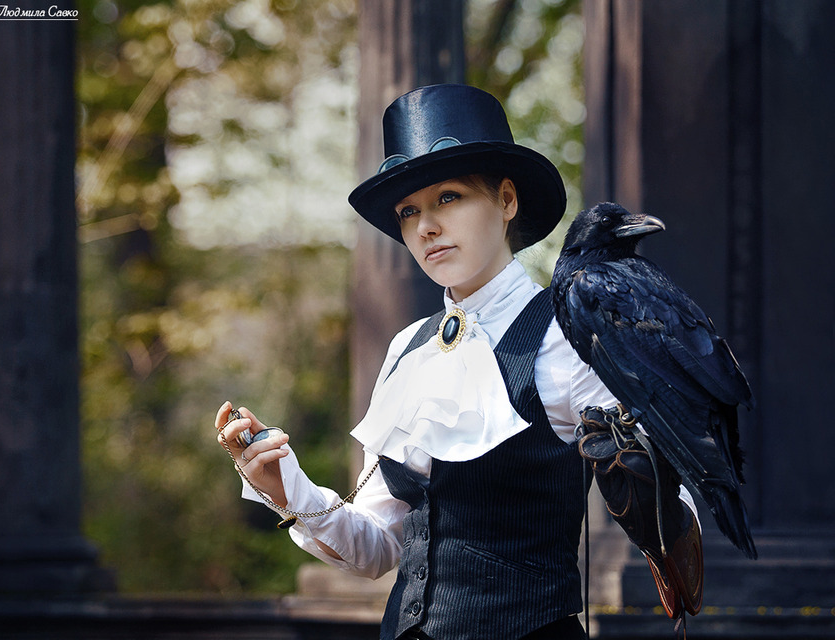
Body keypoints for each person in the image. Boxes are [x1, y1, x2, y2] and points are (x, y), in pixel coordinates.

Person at [215, 84, 699, 640]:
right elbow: (379, 548)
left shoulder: (566, 337)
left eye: (448, 197)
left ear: (507, 201)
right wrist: (284, 487)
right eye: (408, 211)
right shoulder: (407, 350)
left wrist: (652, 496)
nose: (426, 227)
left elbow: (670, 499)